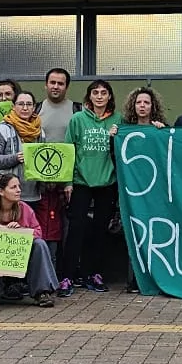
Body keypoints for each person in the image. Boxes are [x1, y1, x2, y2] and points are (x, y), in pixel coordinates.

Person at [65, 80, 121, 292]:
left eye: (104, 92)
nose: (99, 96)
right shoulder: (77, 119)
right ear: (89, 97)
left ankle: (93, 273)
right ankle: (68, 275)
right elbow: (69, 150)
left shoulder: (118, 120)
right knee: (76, 229)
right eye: (95, 92)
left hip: (107, 183)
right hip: (81, 182)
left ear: (109, 97)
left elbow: (134, 137)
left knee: (100, 231)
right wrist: (67, 182)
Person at [0, 171, 59, 306]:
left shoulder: (24, 208)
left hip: (21, 262)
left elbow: (38, 232)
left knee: (39, 244)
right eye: (13, 187)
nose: (19, 190)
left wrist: (21, 232)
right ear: (1, 191)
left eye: (19, 186)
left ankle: (42, 292)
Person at [0, 90, 44, 203]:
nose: (25, 108)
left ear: (34, 107)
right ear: (13, 106)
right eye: (21, 104)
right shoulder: (3, 129)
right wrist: (15, 158)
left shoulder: (40, 131)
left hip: (33, 195)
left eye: (29, 104)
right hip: (7, 197)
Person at [40, 68, 76, 143]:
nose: (56, 87)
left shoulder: (78, 110)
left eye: (60, 84)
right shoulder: (35, 110)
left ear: (67, 87)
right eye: (52, 82)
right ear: (46, 85)